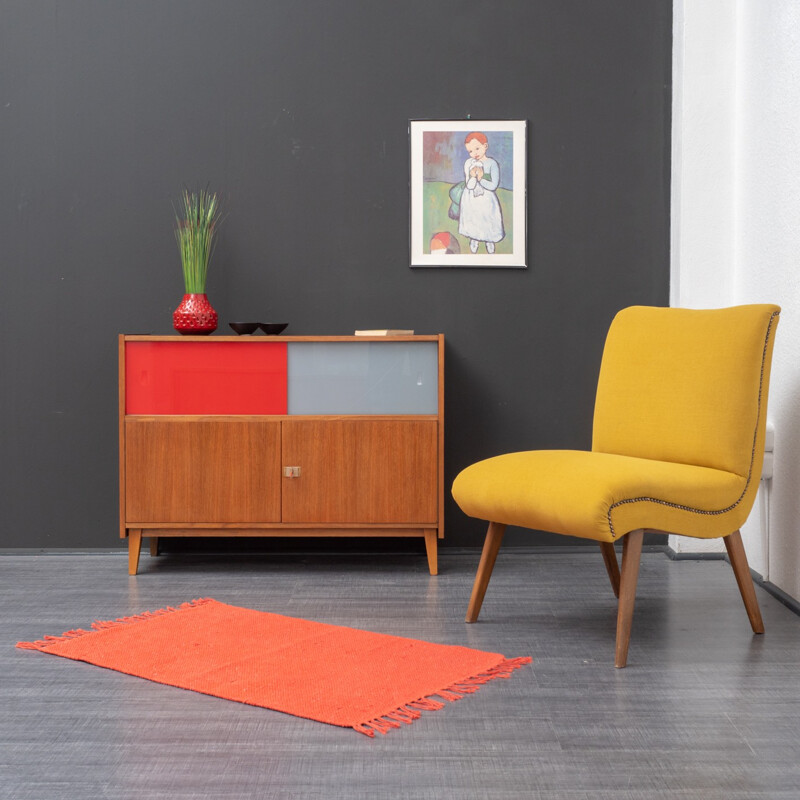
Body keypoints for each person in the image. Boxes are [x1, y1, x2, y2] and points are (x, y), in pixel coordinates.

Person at [458, 132, 505, 254]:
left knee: (487, 218)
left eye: (477, 148)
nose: (475, 153)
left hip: (487, 198)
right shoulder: (469, 163)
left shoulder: (492, 164)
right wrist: (473, 177)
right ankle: (474, 238)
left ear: (485, 146)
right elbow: (469, 185)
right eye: (470, 151)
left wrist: (480, 178)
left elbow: (493, 185)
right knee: (474, 218)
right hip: (471, 198)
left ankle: (490, 240)